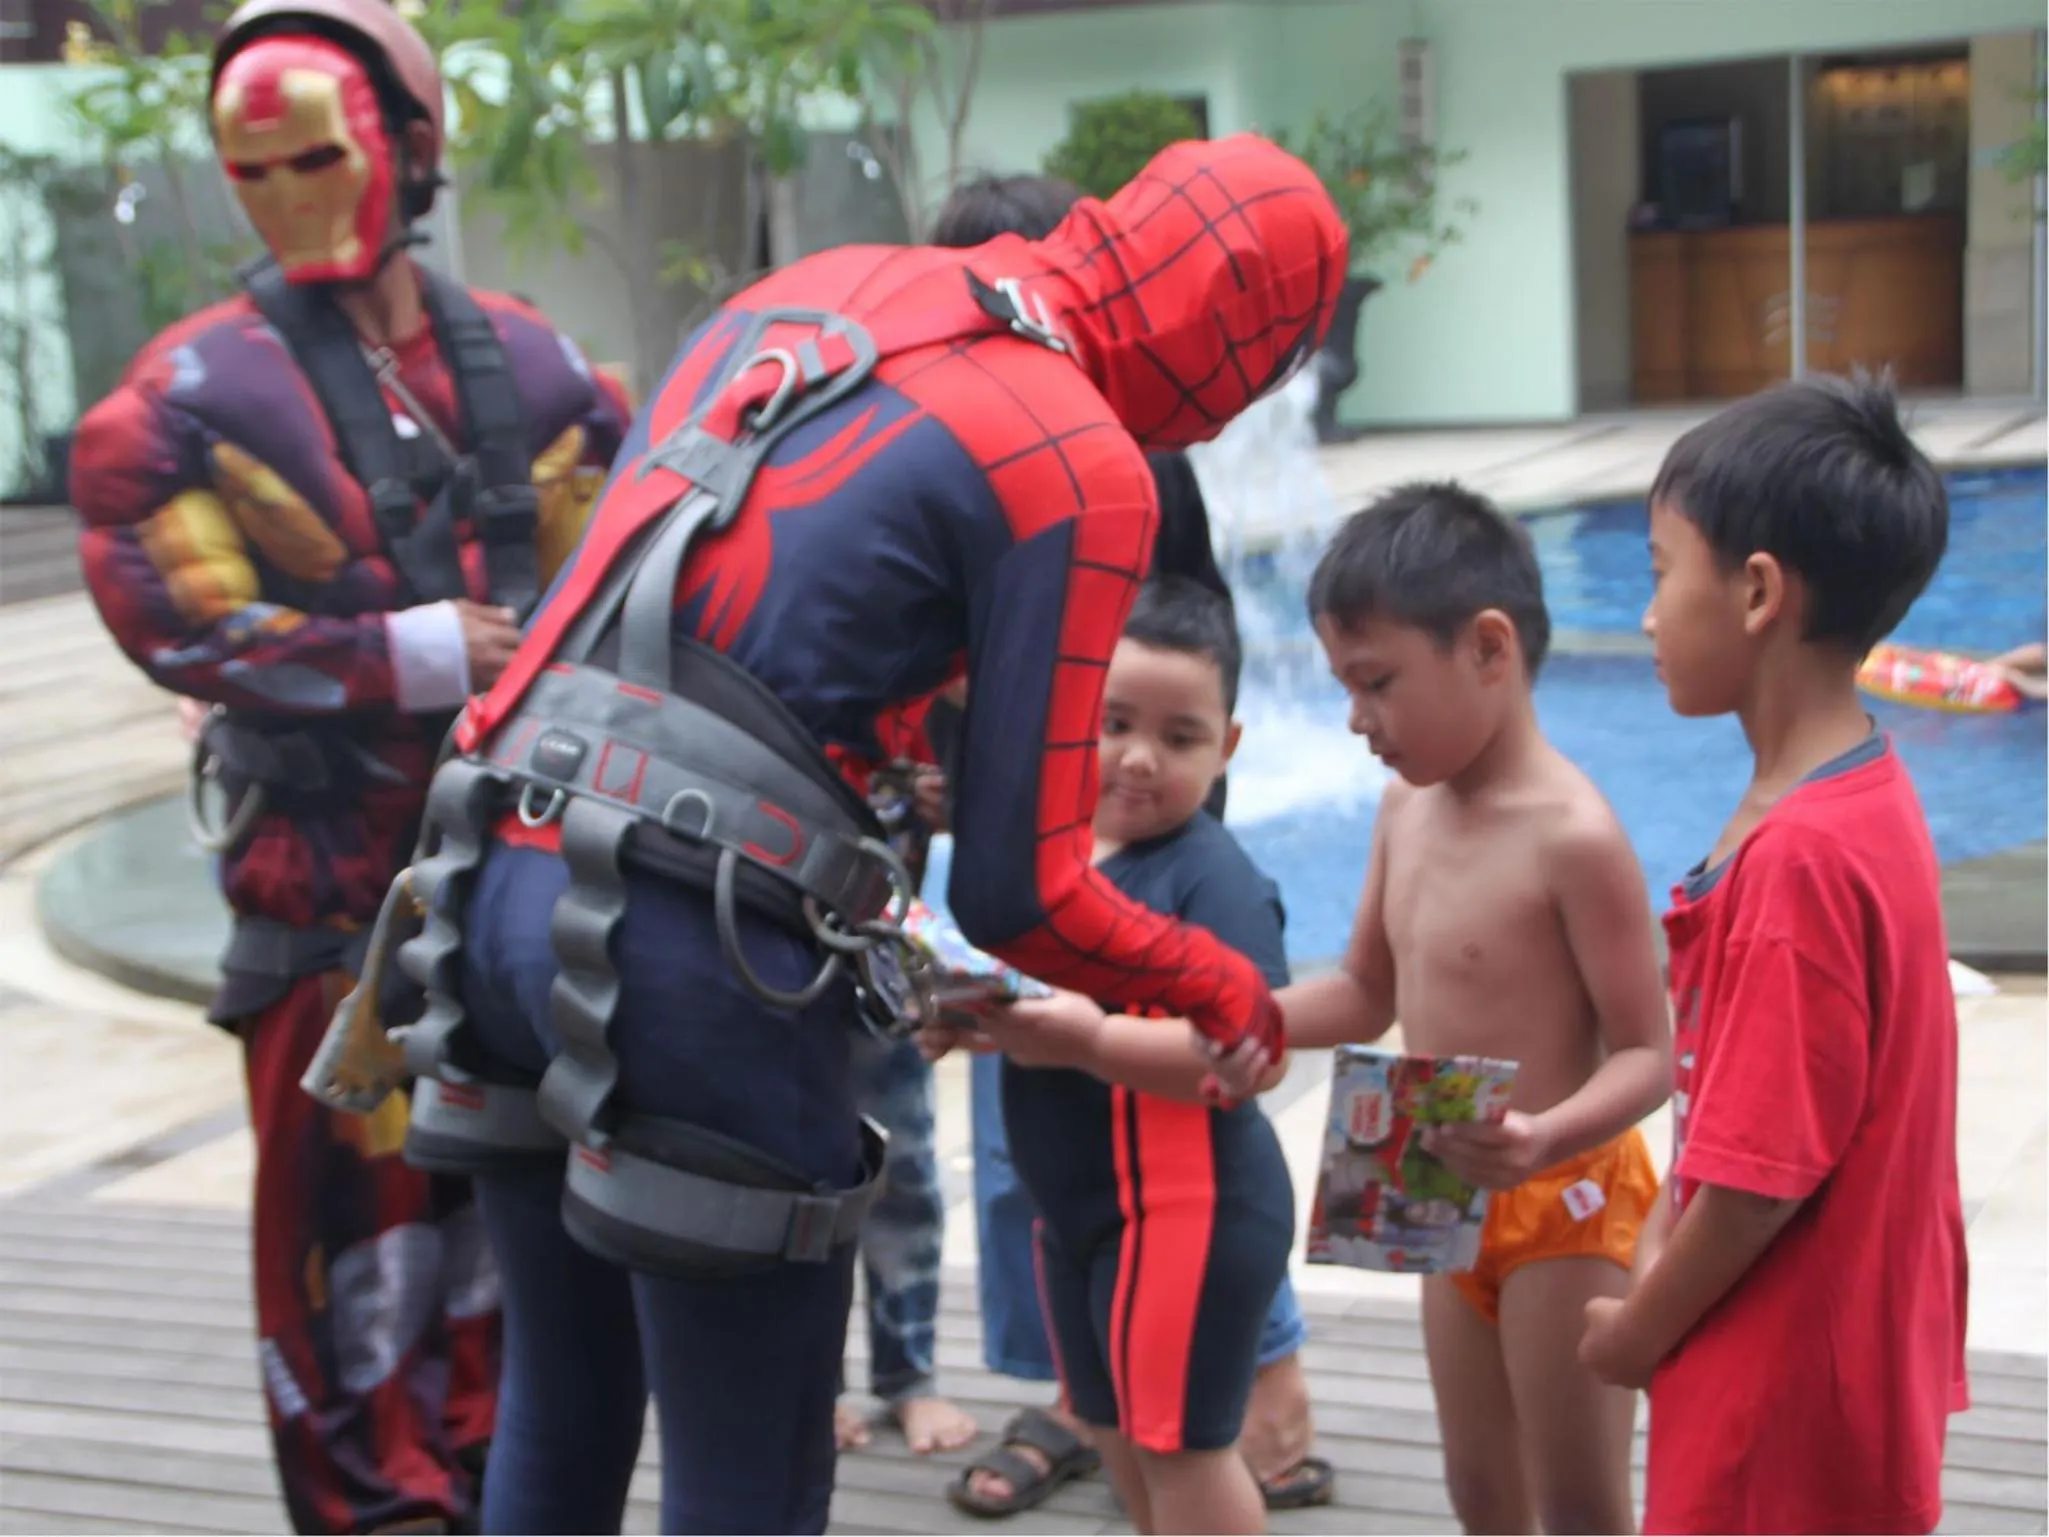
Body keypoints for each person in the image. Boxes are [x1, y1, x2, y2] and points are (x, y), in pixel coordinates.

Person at [416, 136, 1347, 1533]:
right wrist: (1218, 986)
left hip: (483, 870)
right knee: (752, 1478)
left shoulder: (817, 288)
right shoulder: (1085, 461)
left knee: (563, 1406)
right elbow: (1024, 892)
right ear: (1234, 341)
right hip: (688, 938)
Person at [67, 0, 633, 1529]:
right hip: (334, 928)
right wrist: (408, 653)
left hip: (526, 912)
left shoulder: (534, 363)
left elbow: (643, 567)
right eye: (263, 155)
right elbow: (168, 608)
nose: (293, 181)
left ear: (410, 139)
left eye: (325, 143)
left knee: (532, 1272)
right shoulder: (181, 402)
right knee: (355, 1284)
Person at [916, 172, 1328, 1519]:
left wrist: (1130, 746)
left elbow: (1234, 1048)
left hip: (1178, 1172)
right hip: (1048, 883)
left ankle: (1258, 1391)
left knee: (1184, 1426)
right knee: (1123, 1397)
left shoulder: (1122, 434)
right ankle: (1087, 1402)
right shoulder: (935, 424)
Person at [1208, 482, 1672, 1534]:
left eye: (1377, 683)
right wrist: (1258, 1015)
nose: (1354, 718)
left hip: (1566, 1203)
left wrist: (1545, 1133)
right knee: (1479, 1490)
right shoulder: (1403, 806)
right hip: (1431, 1182)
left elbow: (1651, 1051)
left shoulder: (1574, 836)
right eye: (1344, 685)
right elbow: (1368, 992)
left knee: (1581, 1504)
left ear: (1489, 650)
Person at [1578, 374, 1968, 1535]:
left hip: (1782, 1395)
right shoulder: (1864, 793)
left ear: (1755, 592)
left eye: (1660, 572)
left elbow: (1759, 1182)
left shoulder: (1797, 860)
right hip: (1853, 1354)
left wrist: (1633, 1334)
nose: (1648, 616)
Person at [930, 575, 1297, 1536]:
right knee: (1114, 1435)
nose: (1139, 760)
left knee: (1183, 1455)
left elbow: (1241, 1054)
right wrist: (966, 1017)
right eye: (1115, 723)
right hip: (1079, 1216)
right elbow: (1033, 1003)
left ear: (1228, 747)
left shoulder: (1211, 878)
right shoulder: (1061, 865)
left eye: (1180, 738)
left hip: (1185, 1212)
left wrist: (1089, 1040)